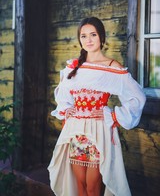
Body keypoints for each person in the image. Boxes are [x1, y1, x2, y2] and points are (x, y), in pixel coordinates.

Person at [48, 17, 146, 196]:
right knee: (79, 184)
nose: (89, 40)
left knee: (93, 186)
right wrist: (66, 108)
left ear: (101, 36)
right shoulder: (74, 66)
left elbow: (137, 97)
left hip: (98, 131)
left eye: (93, 34)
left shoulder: (112, 67)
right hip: (76, 130)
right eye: (84, 36)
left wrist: (113, 115)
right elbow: (63, 92)